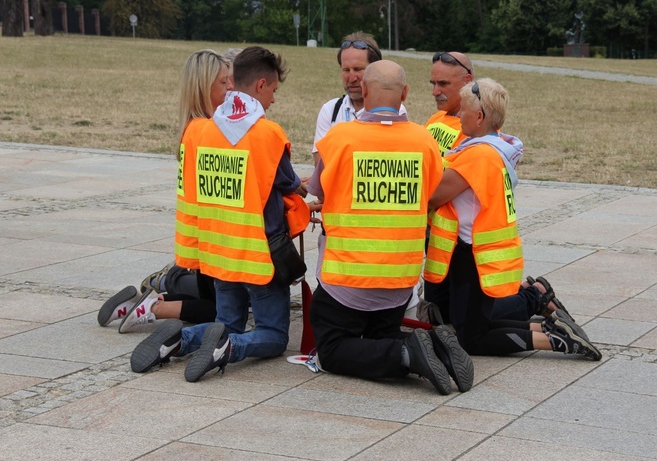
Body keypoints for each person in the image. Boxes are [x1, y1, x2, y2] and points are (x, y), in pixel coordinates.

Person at [130, 46, 305, 382]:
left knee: (227, 324)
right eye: (273, 91)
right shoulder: (268, 133)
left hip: (220, 254)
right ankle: (227, 349)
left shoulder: (202, 130)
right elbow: (288, 184)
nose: (274, 100)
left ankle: (179, 339)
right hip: (259, 258)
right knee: (273, 336)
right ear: (260, 85)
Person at [306, 59, 474, 395]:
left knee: (332, 350)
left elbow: (318, 192)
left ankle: (409, 353)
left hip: (347, 280)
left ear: (363, 89)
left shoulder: (338, 138)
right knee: (378, 335)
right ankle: (432, 347)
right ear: (406, 94)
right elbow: (430, 192)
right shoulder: (424, 140)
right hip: (400, 281)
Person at [424, 78, 601, 360]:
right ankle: (548, 324)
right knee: (467, 323)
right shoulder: (496, 147)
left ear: (479, 117)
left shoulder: (478, 155)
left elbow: (433, 194)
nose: (458, 117)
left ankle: (553, 339)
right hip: (475, 255)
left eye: (464, 112)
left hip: (472, 256)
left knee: (471, 338)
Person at [98, 49, 231, 332]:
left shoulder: (192, 127)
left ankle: (141, 300)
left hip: (196, 237)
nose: (231, 88)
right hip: (209, 238)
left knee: (212, 297)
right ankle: (155, 308)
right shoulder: (208, 131)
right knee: (225, 309)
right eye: (224, 82)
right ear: (203, 87)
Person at [311, 31, 406, 166]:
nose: (352, 78)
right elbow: (320, 165)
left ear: (376, 71)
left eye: (358, 69)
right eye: (346, 70)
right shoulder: (330, 110)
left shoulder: (396, 111)